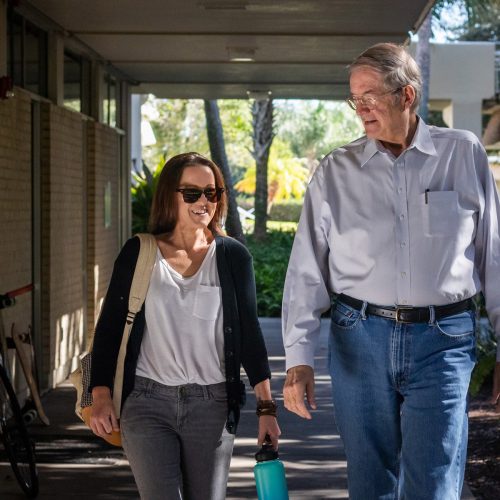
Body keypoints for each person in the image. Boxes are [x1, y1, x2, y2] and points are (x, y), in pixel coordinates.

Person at [282, 43, 500, 500]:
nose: (360, 110)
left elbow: (492, 257)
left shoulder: (463, 154)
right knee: (371, 481)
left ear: (407, 95)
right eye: (354, 100)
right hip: (359, 337)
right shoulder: (334, 172)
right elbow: (306, 270)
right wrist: (298, 358)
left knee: (434, 481)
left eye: (370, 97)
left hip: (444, 339)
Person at [88, 152, 280, 500]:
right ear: (170, 197)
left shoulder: (233, 257)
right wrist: (99, 394)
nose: (203, 201)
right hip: (146, 401)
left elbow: (250, 336)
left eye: (212, 192)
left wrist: (267, 409)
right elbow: (110, 329)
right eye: (191, 193)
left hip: (212, 404)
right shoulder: (139, 252)